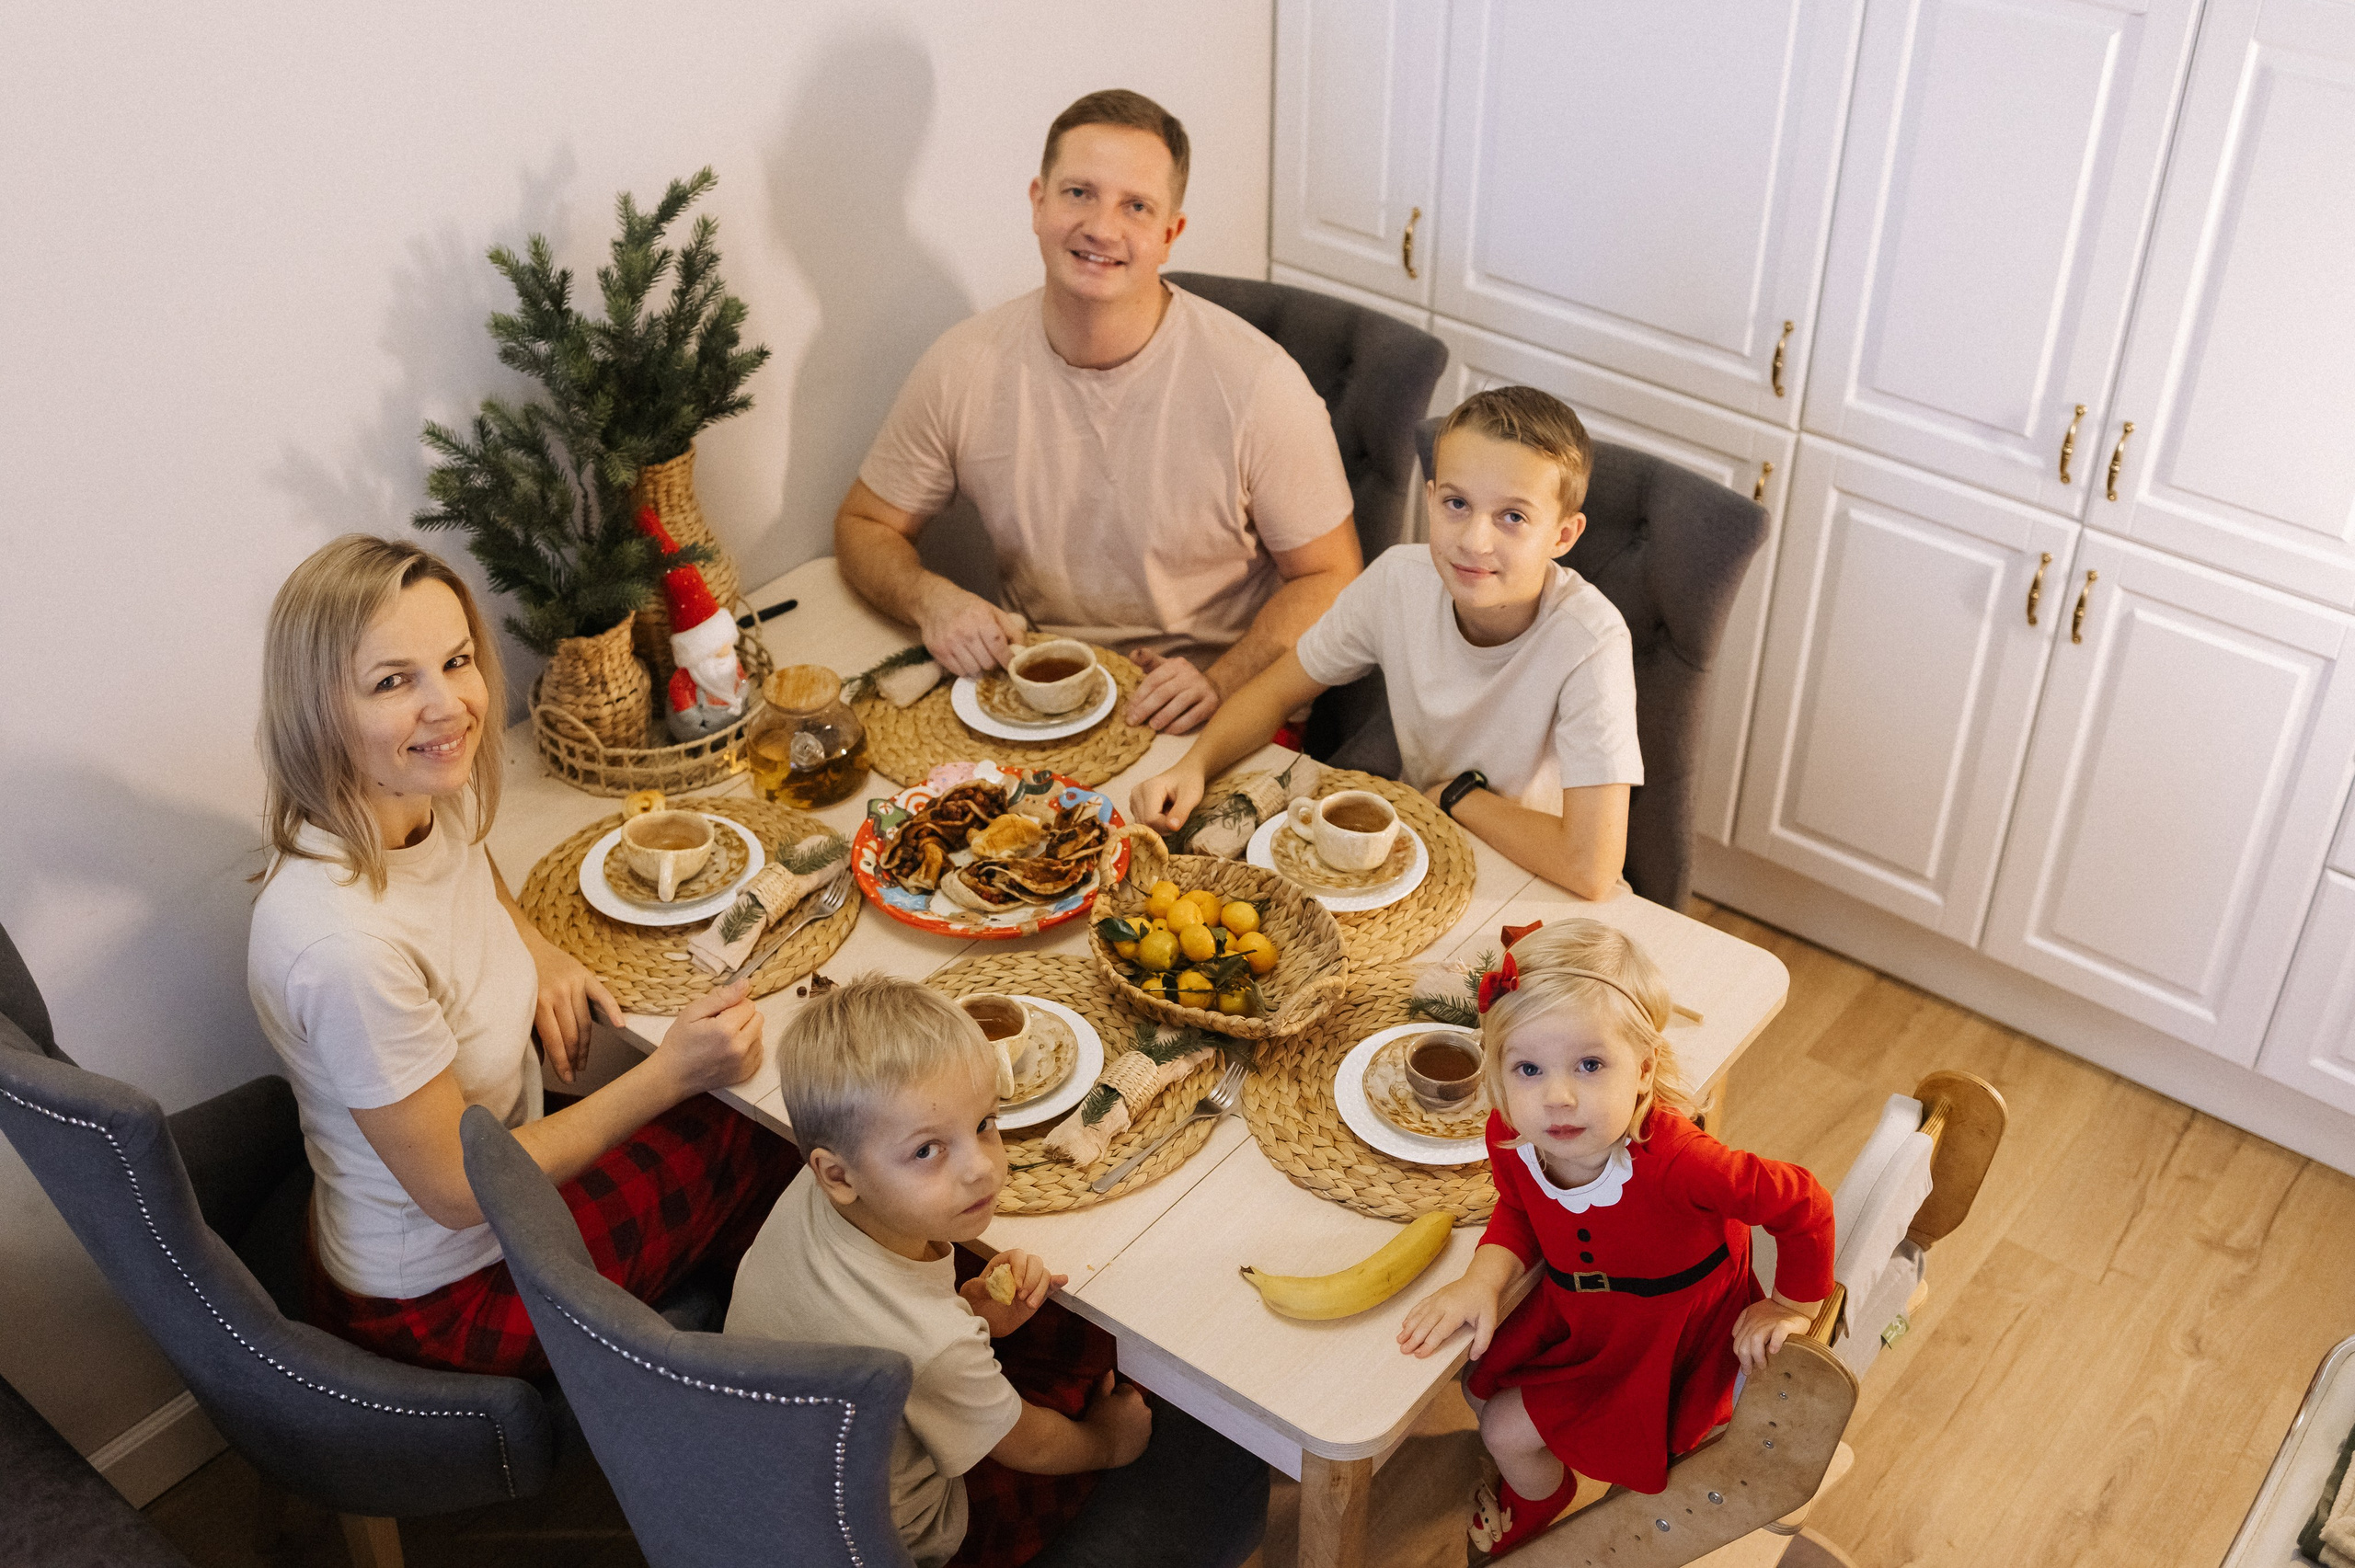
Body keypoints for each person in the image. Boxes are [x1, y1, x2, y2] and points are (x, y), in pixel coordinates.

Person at [247, 535, 797, 1376]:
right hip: (447, 1293)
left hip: (491, 1194)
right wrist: (668, 1075)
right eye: (393, 681)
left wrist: (534, 946)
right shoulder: (345, 950)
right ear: (317, 708)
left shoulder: (411, 792)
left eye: (456, 661)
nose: (450, 706)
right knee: (765, 1130)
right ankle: (736, 1405)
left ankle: (726, 1325)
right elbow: (463, 1192)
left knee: (740, 1116)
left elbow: (471, 865)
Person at [834, 87, 1361, 735]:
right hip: (1039, 691)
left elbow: (1333, 577)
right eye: (1079, 193)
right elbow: (863, 523)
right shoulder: (962, 363)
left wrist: (1220, 679)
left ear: (1170, 234)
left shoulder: (1260, 383)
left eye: (1136, 206)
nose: (1102, 227)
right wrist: (930, 598)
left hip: (1212, 704)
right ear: (1038, 202)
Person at [727, 975, 1265, 1568]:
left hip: (770, 1480)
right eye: (927, 1151)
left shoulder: (822, 1186)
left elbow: (876, 1313)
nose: (981, 1169)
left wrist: (968, 1306)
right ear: (839, 1175)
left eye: (984, 1123)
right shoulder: (932, 1343)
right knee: (1176, 1402)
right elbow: (1027, 1443)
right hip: (898, 1538)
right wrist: (1107, 1443)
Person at [1395, 921, 1834, 1560]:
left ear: (1643, 1068)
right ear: (1499, 1071)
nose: (1559, 1096)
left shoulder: (1682, 1162)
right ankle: (1540, 1468)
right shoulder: (1513, 1135)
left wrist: (1792, 1301)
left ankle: (1543, 1498)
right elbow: (1520, 1210)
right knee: (1475, 1377)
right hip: (1582, 1309)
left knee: (1504, 1429)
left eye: (1591, 1064)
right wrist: (1482, 1279)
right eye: (1528, 1067)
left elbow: (1804, 1201)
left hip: (1665, 1335)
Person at [1132, 385, 1641, 898]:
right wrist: (1191, 767)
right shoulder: (1399, 579)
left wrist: (1457, 796)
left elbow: (1592, 869)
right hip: (1425, 849)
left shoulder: (1590, 642)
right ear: (1430, 499)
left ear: (1563, 536)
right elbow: (1277, 691)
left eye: (1513, 517)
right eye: (1457, 503)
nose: (1473, 541)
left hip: (1536, 880)